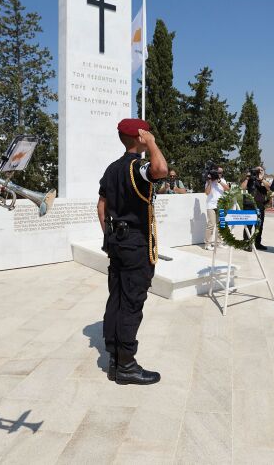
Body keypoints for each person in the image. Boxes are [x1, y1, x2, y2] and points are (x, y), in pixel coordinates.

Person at [97, 118, 168, 385]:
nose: (150, 135)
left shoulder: (112, 168)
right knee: (131, 302)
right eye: (146, 133)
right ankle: (126, 365)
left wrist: (110, 234)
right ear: (139, 137)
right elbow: (161, 169)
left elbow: (101, 207)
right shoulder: (137, 167)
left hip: (116, 241)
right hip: (135, 244)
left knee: (116, 298)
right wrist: (152, 144)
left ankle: (115, 359)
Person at [239, 166, 270, 250]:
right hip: (249, 204)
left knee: (259, 226)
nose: (259, 172)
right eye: (258, 170)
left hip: (260, 205)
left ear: (264, 172)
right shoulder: (250, 179)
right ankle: (246, 243)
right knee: (248, 225)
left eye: (261, 170)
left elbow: (269, 187)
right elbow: (242, 187)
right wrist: (247, 178)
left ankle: (257, 243)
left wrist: (261, 179)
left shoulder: (265, 180)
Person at [204, 165, 229, 250]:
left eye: (221, 173)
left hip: (220, 205)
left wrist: (219, 181)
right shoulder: (209, 181)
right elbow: (207, 193)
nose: (219, 174)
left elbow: (227, 189)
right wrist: (210, 182)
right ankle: (207, 244)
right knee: (211, 224)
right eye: (218, 172)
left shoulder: (223, 180)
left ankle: (219, 242)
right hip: (211, 205)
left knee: (221, 224)